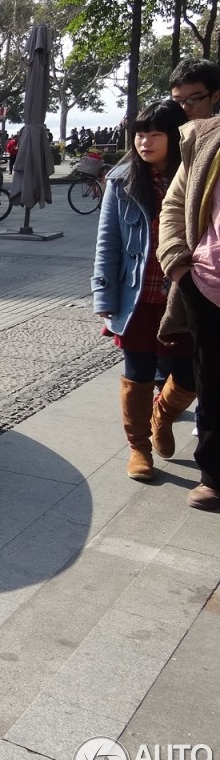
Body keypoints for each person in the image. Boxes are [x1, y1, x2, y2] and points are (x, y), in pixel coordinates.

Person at [93, 101, 193, 482]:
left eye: (155, 133)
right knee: (137, 373)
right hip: (137, 294)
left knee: (188, 375)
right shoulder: (121, 180)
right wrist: (103, 295)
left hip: (182, 297)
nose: (145, 141)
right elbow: (108, 242)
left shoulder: (196, 177)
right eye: (139, 133)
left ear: (176, 135)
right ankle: (139, 448)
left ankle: (161, 417)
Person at [158, 105, 220, 511]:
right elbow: (174, 203)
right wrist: (179, 266)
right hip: (208, 285)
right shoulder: (206, 137)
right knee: (211, 381)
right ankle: (213, 474)